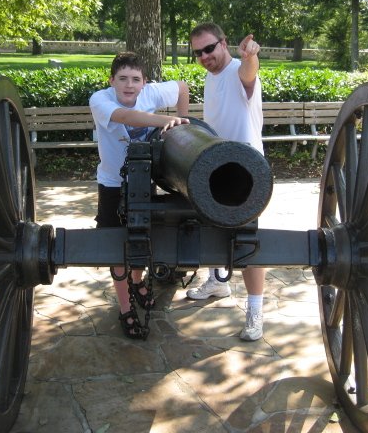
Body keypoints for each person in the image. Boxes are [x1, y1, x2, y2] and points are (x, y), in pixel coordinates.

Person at [89, 52, 190, 339]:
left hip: (144, 178)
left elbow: (182, 88)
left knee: (142, 234)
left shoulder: (151, 93)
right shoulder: (100, 99)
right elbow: (125, 117)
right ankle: (125, 307)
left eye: (135, 79)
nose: (129, 85)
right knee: (116, 244)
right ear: (112, 81)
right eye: (122, 79)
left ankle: (138, 281)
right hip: (112, 183)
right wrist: (169, 119)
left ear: (145, 82)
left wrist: (181, 125)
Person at [186, 22, 266, 342]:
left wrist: (250, 56)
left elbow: (249, 73)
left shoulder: (237, 70)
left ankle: (255, 310)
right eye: (198, 53)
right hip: (217, 164)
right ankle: (217, 282)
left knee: (247, 243)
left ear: (223, 43)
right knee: (211, 223)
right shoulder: (211, 77)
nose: (204, 56)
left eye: (209, 48)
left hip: (246, 170)